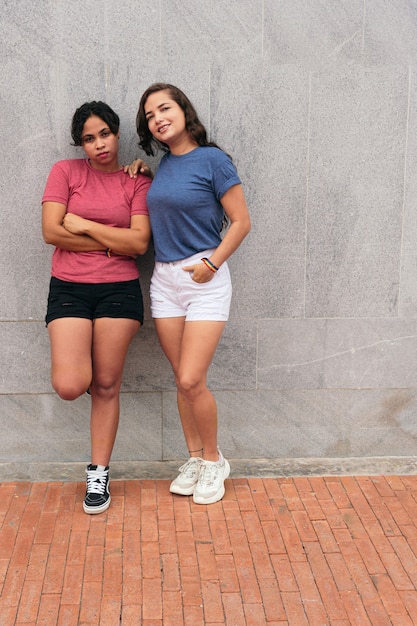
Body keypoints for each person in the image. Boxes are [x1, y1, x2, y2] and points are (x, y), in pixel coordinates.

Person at [129, 83, 251, 504]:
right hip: (165, 282)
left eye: (164, 108)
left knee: (190, 377)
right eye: (149, 115)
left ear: (184, 111)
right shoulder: (162, 166)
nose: (158, 118)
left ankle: (215, 461)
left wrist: (212, 264)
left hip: (205, 278)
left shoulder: (213, 160)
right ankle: (195, 458)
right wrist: (145, 174)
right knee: (183, 382)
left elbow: (240, 221)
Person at [42, 101, 152, 514]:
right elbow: (51, 231)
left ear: (117, 132)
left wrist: (85, 225)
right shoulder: (66, 172)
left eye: (104, 134)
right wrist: (113, 243)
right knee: (71, 385)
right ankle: (84, 362)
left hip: (119, 290)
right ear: (80, 144)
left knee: (106, 386)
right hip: (69, 287)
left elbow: (139, 244)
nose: (98, 144)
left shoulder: (136, 182)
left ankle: (98, 474)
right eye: (89, 138)